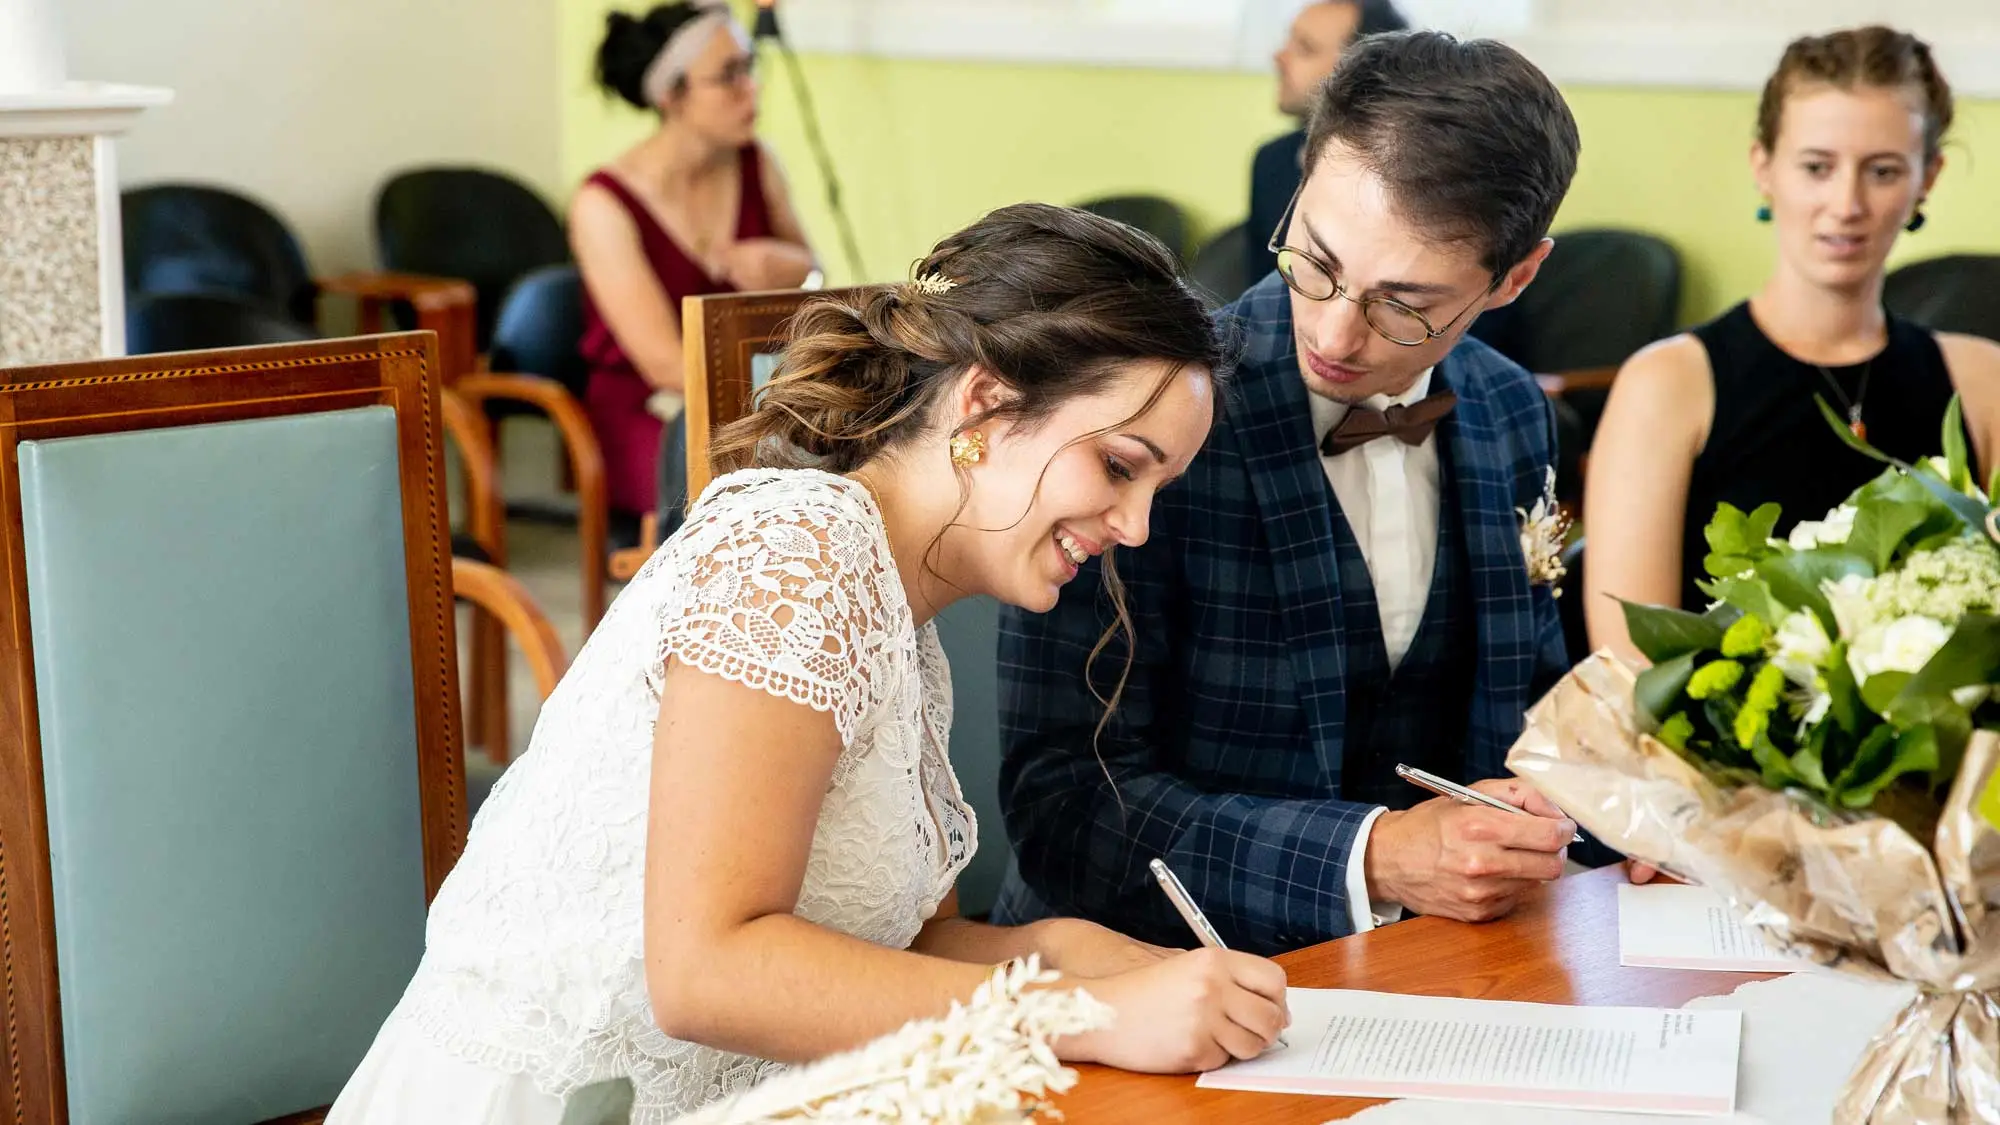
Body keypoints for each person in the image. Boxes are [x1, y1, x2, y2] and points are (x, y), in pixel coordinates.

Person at [327, 204, 1290, 1125]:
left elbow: (874, 950)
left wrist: (1058, 952)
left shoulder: (899, 608)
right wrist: (1084, 1016)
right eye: (1122, 466)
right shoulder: (800, 552)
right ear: (986, 403)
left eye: (1158, 484)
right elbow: (706, 971)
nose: (1137, 526)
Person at [995, 31, 1606, 958]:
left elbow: (1531, 712)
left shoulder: (1514, 411)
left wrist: (1596, 816)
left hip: (1443, 972)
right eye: (1315, 261)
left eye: (1403, 304)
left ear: (1515, 277)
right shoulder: (1140, 418)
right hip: (1151, 976)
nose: (1333, 330)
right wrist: (1369, 859)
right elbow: (1064, 799)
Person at [1586, 26, 2000, 658]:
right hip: (1693, 750)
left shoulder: (1983, 381)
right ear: (1764, 168)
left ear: (1928, 177)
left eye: (1883, 171)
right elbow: (1627, 667)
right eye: (1817, 167)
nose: (1846, 204)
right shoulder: (1667, 385)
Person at [573, 1, 817, 532]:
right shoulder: (603, 205)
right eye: (728, 75)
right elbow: (665, 365)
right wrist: (789, 408)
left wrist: (784, 266)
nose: (750, 88)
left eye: (749, 67)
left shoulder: (759, 161)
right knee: (773, 477)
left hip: (757, 397)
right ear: (671, 95)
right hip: (648, 415)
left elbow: (816, 277)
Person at [1246, 0, 1409, 287]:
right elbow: (1260, 298)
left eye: (1305, 48)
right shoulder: (1272, 160)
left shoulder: (1415, 173)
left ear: (1365, 71)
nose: (1279, 57)